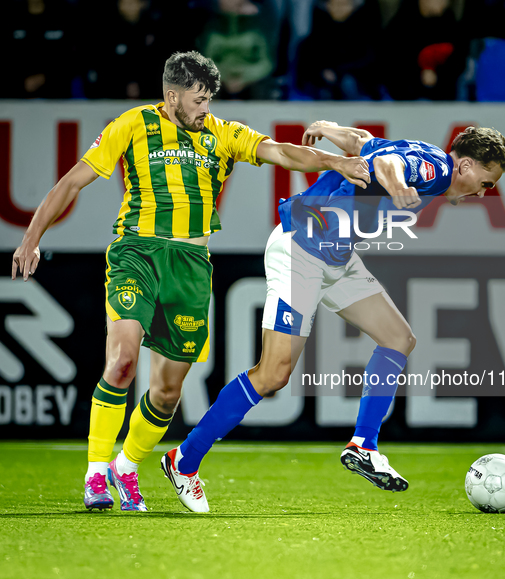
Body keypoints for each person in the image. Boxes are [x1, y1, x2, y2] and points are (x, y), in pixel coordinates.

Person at [11, 51, 370, 512]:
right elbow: (71, 182)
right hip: (136, 253)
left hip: (192, 265)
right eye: (199, 100)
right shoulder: (133, 124)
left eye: (209, 99)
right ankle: (96, 473)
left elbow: (280, 152)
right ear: (172, 95)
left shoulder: (223, 133)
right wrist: (32, 238)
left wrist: (332, 162)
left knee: (167, 392)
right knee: (121, 361)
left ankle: (127, 466)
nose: (206, 108)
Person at [161, 120, 505, 512]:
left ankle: (364, 445)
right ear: (466, 166)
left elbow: (363, 143)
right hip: (301, 250)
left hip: (336, 256)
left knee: (399, 338)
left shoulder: (429, 153)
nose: (486, 192)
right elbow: (386, 162)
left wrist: (329, 128)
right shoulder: (437, 171)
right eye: (487, 181)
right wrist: (397, 185)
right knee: (273, 374)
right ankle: (183, 460)